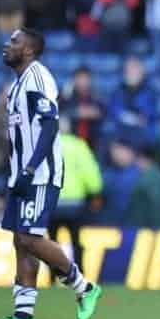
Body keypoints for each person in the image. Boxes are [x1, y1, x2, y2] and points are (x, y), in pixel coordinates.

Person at [0, 28, 102, 319]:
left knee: (29, 238)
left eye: (14, 41)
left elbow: (50, 127)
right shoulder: (16, 85)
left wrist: (29, 169)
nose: (7, 45)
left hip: (40, 174)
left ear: (29, 50)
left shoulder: (38, 77)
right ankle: (23, 316)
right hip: (21, 174)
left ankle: (84, 287)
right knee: (19, 241)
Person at [48, 117, 103, 277]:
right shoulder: (79, 146)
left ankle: (53, 276)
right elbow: (90, 172)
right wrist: (95, 191)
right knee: (76, 241)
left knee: (52, 242)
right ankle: (79, 275)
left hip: (52, 203)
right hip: (74, 204)